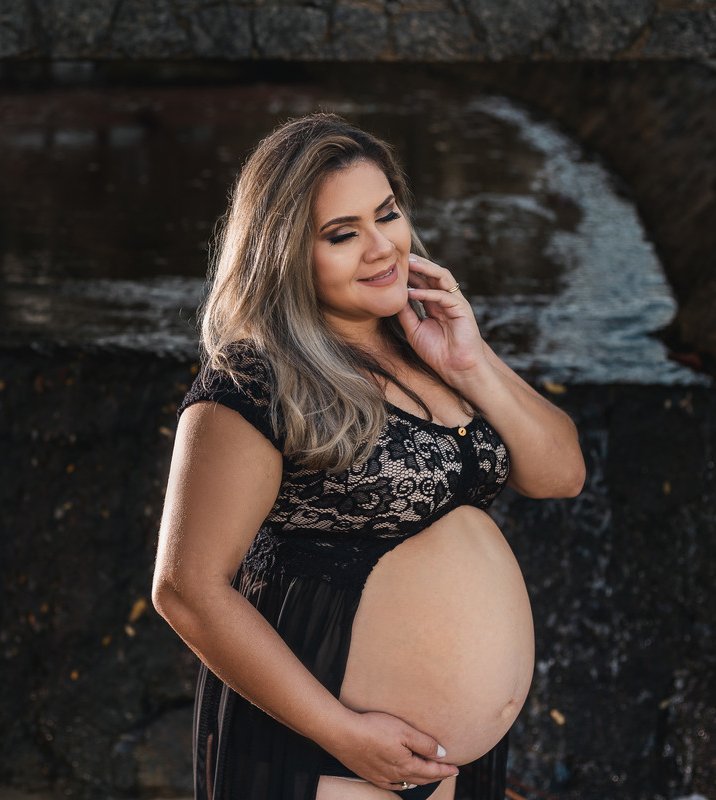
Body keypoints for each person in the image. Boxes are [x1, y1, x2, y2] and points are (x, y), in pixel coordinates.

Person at [152, 113, 585, 800]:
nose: (382, 247)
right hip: (330, 751)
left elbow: (563, 474)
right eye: (342, 233)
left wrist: (471, 362)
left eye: (386, 214)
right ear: (284, 251)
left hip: (452, 764)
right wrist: (341, 732)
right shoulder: (256, 380)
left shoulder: (427, 345)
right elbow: (187, 588)